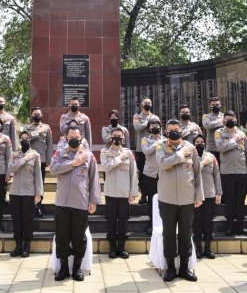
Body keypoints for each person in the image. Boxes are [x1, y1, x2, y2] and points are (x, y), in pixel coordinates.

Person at [51, 126, 101, 282]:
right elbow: (53, 169)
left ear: (81, 138)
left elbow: (94, 179)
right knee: (62, 236)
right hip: (62, 202)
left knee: (79, 237)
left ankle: (78, 267)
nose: (74, 138)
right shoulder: (60, 153)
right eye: (71, 136)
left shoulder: (89, 156)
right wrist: (73, 163)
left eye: (76, 136)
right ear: (66, 137)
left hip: (80, 202)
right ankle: (64, 268)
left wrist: (93, 200)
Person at [156, 119, 203, 282]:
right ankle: (170, 268)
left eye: (176, 129)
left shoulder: (191, 148)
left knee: (185, 233)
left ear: (181, 131)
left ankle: (184, 268)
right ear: (166, 132)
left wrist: (199, 196)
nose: (174, 132)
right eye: (170, 130)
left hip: (187, 199)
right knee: (168, 234)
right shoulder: (160, 147)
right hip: (167, 198)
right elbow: (162, 164)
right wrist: (180, 155)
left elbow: (197, 173)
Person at [216, 110, 247, 236]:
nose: (229, 121)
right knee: (229, 200)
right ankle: (230, 225)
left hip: (242, 171)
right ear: (223, 121)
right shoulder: (219, 133)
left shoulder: (242, 134)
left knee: (240, 200)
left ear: (236, 120)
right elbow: (220, 148)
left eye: (231, 119)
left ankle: (241, 226)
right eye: (227, 119)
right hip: (227, 172)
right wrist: (233, 140)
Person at [101, 127, 138, 259]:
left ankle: (121, 248)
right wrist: (119, 158)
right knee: (111, 221)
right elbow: (106, 167)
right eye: (114, 135)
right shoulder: (105, 152)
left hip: (124, 194)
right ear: (111, 137)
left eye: (119, 136)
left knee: (123, 221)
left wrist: (133, 192)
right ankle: (112, 248)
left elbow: (133, 173)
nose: (117, 138)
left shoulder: (128, 153)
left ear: (123, 138)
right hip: (110, 193)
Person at [8, 131, 44, 258]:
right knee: (16, 220)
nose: (24, 140)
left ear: (30, 139)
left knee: (27, 221)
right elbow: (11, 169)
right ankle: (18, 246)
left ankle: (26, 247)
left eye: (26, 138)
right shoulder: (14, 154)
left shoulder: (35, 155)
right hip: (15, 193)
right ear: (19, 140)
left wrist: (38, 193)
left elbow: (38, 176)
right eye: (22, 138)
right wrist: (23, 160)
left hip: (29, 192)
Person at [193, 134, 221, 259]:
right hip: (195, 195)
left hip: (209, 194)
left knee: (208, 223)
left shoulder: (211, 157)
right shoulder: (190, 156)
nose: (200, 144)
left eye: (201, 142)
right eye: (197, 142)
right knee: (197, 223)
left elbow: (217, 175)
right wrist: (203, 163)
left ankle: (208, 248)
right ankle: (198, 248)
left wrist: (218, 192)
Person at [23, 107, 52, 217]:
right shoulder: (27, 127)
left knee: (40, 183)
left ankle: (38, 205)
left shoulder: (47, 128)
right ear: (31, 115)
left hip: (42, 159)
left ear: (42, 115)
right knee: (30, 183)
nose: (37, 116)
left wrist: (49, 159)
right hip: (29, 159)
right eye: (35, 114)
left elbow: (49, 144)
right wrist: (37, 132)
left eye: (39, 114)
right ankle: (30, 206)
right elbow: (25, 139)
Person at [133, 98, 159, 205]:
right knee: (142, 173)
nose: (147, 104)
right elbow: (137, 127)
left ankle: (154, 195)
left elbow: (159, 132)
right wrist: (149, 123)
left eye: (149, 103)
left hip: (154, 149)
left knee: (154, 173)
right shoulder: (136, 117)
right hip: (141, 149)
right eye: (145, 103)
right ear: (141, 105)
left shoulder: (156, 117)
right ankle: (143, 195)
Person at [141, 118, 164, 234]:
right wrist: (158, 144)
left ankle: (163, 223)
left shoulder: (165, 140)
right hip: (150, 174)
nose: (154, 126)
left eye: (157, 124)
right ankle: (152, 224)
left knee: (164, 200)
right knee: (151, 201)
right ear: (149, 128)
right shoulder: (145, 140)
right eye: (152, 125)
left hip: (163, 175)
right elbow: (146, 151)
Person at [201, 97, 224, 163]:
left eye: (217, 104)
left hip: (223, 146)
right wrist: (221, 121)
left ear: (220, 105)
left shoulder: (224, 115)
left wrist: (214, 123)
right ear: (209, 106)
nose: (215, 106)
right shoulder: (206, 116)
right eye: (213, 105)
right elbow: (207, 126)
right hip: (212, 148)